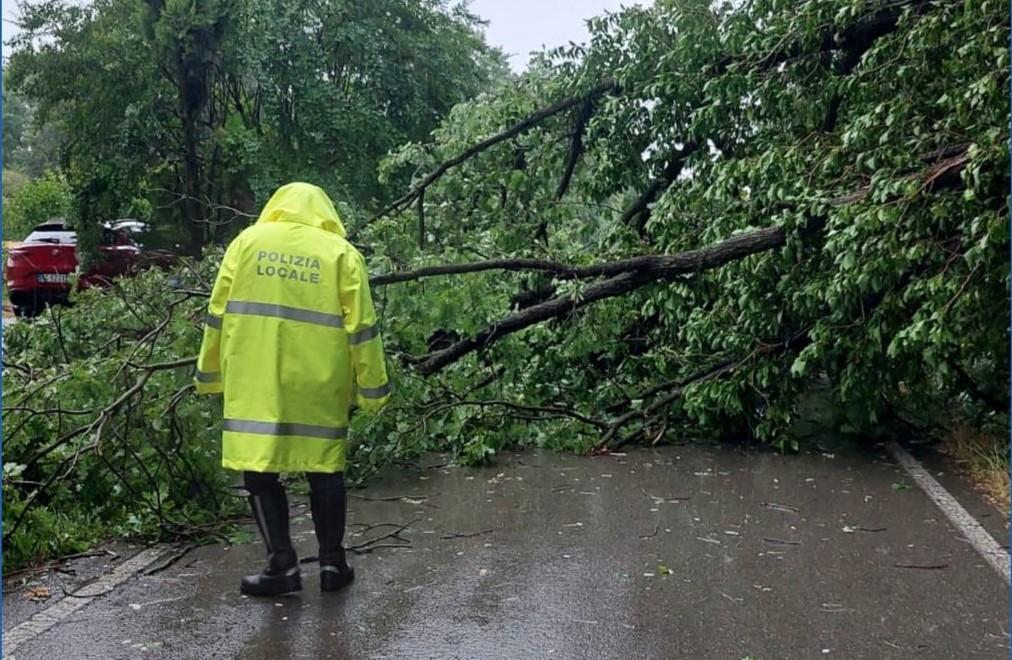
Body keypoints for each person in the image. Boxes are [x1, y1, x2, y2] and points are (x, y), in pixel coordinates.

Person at [194, 182, 390, 597]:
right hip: (319, 383)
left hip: (256, 380)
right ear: (325, 212)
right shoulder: (340, 254)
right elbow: (363, 330)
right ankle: (333, 564)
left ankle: (281, 564)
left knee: (260, 470)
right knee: (324, 469)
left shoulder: (246, 244)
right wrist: (373, 391)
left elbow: (218, 313)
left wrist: (209, 375)